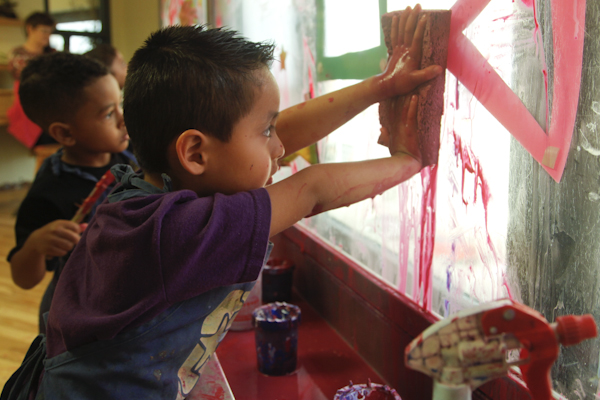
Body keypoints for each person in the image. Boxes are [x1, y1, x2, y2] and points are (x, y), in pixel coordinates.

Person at [2, 5, 441, 399]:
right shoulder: (175, 231)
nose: (278, 147)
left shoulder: (152, 184)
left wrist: (381, 87)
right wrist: (410, 159)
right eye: (264, 132)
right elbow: (312, 189)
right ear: (195, 153)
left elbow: (282, 134)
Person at [6, 52, 136, 335]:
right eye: (108, 114)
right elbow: (23, 278)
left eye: (120, 104)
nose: (123, 120)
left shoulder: (130, 157)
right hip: (75, 312)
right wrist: (36, 245)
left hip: (127, 295)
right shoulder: (49, 193)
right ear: (65, 134)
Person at [7, 12, 57, 148]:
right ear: (30, 29)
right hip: (32, 106)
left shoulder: (52, 53)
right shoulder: (18, 54)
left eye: (50, 32)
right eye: (44, 31)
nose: (47, 35)